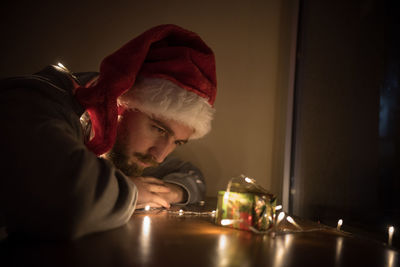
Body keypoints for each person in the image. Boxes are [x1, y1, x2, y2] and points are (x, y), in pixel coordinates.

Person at [0, 24, 217, 240]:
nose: (159, 156)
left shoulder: (125, 146)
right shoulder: (36, 100)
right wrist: (131, 192)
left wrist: (174, 190)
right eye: (158, 129)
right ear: (121, 102)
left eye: (177, 142)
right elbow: (68, 198)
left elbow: (190, 174)